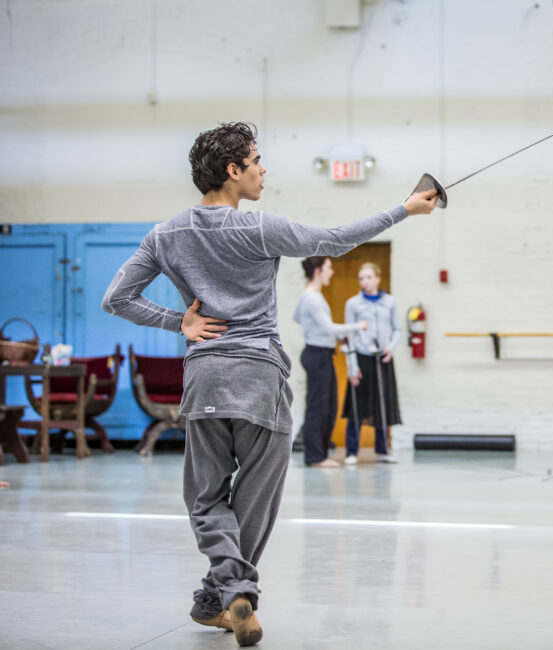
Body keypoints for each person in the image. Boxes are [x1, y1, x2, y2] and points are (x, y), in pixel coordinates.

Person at [101, 122, 438, 646]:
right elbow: (334, 239)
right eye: (256, 160)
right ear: (232, 171)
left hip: (207, 379)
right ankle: (235, 592)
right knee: (254, 502)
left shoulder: (163, 234)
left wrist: (180, 324)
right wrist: (405, 208)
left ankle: (221, 596)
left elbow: (117, 298)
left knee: (207, 499)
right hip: (261, 379)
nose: (264, 169)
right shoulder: (258, 229)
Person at [294, 256, 367, 468]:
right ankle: (315, 457)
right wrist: (358, 326)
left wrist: (328, 336)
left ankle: (320, 453)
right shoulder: (312, 298)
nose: (331, 272)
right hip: (317, 355)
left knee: (328, 405)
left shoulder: (310, 296)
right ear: (318, 270)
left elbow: (299, 318)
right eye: (329, 267)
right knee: (318, 407)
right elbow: (329, 328)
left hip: (321, 354)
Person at [341, 262, 402, 465]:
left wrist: (390, 348)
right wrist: (352, 366)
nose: (364, 281)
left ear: (377, 278)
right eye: (361, 278)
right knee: (357, 406)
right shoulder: (353, 304)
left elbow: (397, 329)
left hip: (382, 358)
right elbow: (349, 334)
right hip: (362, 357)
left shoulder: (390, 302)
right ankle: (352, 451)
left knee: (382, 405)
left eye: (368, 277)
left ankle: (382, 450)